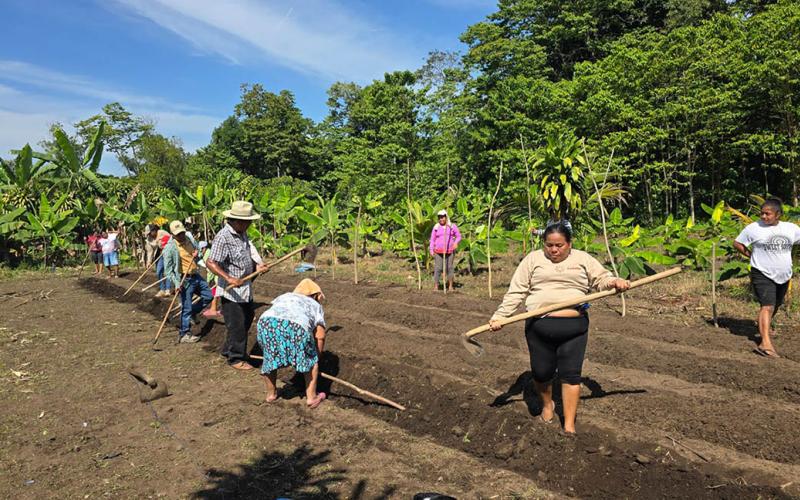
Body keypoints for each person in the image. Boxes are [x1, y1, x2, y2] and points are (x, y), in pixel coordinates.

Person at [488, 223, 629, 435]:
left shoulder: (582, 259)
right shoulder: (533, 260)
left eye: (559, 245)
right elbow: (516, 292)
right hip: (539, 327)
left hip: (574, 326)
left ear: (569, 244)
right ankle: (547, 405)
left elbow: (602, 279)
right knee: (541, 373)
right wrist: (500, 316)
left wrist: (614, 282)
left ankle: (569, 426)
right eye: (549, 245)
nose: (554, 250)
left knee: (571, 375)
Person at [733, 198, 800, 358]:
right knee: (767, 306)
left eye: (767, 214)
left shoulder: (791, 228)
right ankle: (765, 343)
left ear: (778, 214)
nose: (763, 216)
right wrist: (750, 255)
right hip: (762, 272)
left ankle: (764, 328)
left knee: (775, 305)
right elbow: (737, 243)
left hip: (784, 274)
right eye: (762, 213)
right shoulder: (753, 228)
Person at [206, 201, 268, 370]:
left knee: (247, 318)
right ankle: (236, 359)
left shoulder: (242, 234)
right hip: (231, 290)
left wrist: (258, 266)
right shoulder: (223, 237)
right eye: (247, 221)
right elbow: (211, 263)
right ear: (236, 220)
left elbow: (248, 253)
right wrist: (229, 278)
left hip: (245, 286)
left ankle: (229, 349)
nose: (249, 224)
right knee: (237, 323)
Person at [256, 278, 327, 408]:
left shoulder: (285, 296)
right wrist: (316, 358)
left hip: (266, 322)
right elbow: (320, 336)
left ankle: (271, 394)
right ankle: (312, 397)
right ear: (315, 295)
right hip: (295, 326)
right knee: (311, 362)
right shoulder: (315, 305)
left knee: (270, 358)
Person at [163, 220, 213, 343]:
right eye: (177, 234)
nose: (180, 236)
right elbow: (168, 271)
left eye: (181, 233)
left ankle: (193, 312)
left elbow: (199, 254)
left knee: (208, 296)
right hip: (184, 280)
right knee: (186, 307)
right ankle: (185, 333)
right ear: (172, 234)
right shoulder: (170, 248)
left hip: (195, 275)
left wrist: (197, 254)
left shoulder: (189, 240)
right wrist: (177, 283)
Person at [429, 210, 461, 292]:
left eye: (442, 217)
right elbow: (432, 239)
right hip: (438, 252)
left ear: (446, 217)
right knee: (438, 268)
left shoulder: (452, 226)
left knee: (449, 268)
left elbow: (458, 236)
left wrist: (456, 243)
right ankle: (436, 286)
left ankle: (450, 286)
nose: (441, 219)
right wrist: (431, 250)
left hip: (449, 251)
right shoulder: (436, 227)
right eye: (439, 217)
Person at [144, 224, 173, 298]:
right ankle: (162, 289)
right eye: (148, 234)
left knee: (168, 271)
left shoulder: (162, 232)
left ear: (154, 230)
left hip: (169, 253)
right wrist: (149, 262)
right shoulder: (149, 239)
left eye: (150, 233)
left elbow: (172, 241)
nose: (149, 235)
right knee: (158, 271)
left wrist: (166, 248)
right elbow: (150, 251)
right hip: (160, 254)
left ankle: (168, 289)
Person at [197, 241, 223, 319]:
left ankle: (213, 309)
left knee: (215, 292)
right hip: (218, 275)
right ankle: (215, 308)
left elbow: (211, 271)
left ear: (204, 248)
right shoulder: (207, 253)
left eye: (201, 250)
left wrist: (208, 281)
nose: (200, 251)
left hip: (217, 276)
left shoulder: (207, 256)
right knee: (216, 292)